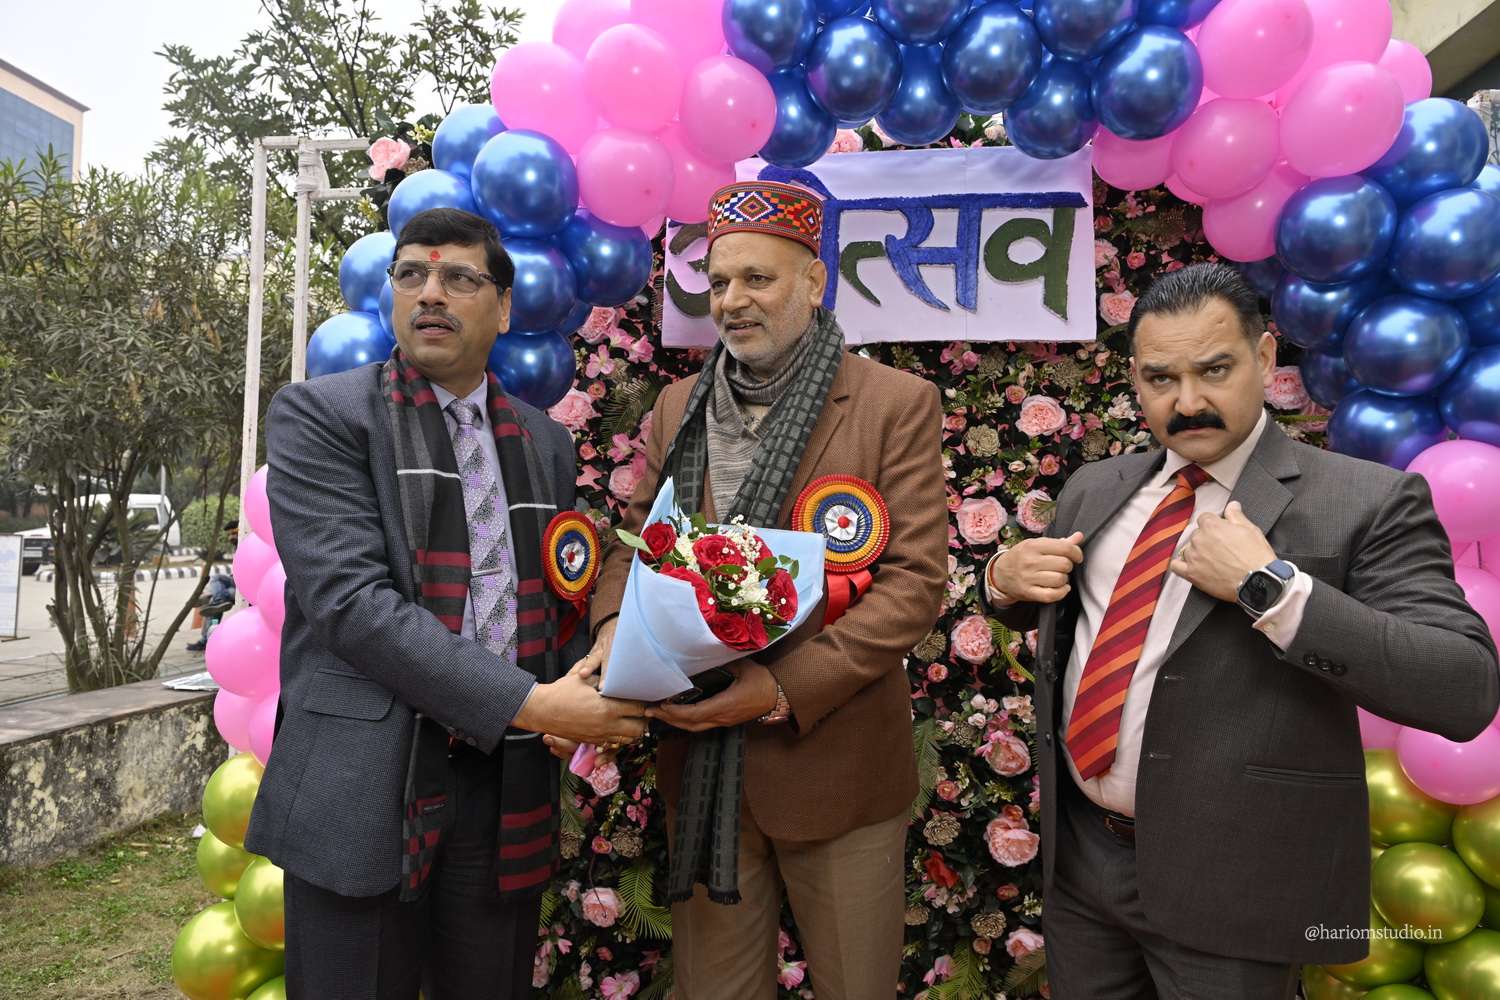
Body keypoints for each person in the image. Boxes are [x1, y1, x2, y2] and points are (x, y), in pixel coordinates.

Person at [983, 262, 1499, 998]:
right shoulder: (1094, 489)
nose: (1188, 401)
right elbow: (1079, 622)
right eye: (1162, 379)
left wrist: (1270, 590)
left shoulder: (1367, 500)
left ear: (1263, 356)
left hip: (1237, 879)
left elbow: (1463, 688)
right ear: (1134, 379)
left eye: (1215, 370)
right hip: (1082, 867)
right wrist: (1001, 581)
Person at [553, 181, 948, 1000]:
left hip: (835, 769)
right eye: (720, 281)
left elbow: (913, 584)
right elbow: (636, 539)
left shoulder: (892, 404)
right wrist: (615, 632)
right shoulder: (678, 406)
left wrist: (780, 690)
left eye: (757, 280)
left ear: (814, 281)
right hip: (701, 769)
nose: (732, 301)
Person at [244, 207, 647, 1000]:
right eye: (411, 275)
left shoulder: (544, 440)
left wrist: (593, 678)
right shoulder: (322, 414)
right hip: (363, 787)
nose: (430, 293)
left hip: (505, 787)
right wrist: (536, 704)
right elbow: (352, 605)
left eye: (460, 277)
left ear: (504, 308)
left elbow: (551, 595)